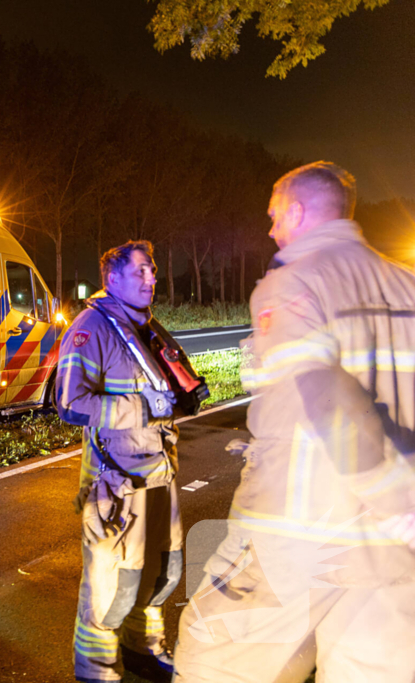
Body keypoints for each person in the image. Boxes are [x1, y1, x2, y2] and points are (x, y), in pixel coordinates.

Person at [173, 162, 415, 682]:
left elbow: (325, 398)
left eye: (274, 215)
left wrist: (398, 501)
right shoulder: (407, 286)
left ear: (298, 211)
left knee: (210, 662)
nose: (270, 230)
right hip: (393, 555)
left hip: (296, 534)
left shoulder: (294, 285)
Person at [56, 240, 182, 683]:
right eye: (142, 271)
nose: (152, 278)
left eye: (152, 270)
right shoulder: (92, 326)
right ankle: (97, 671)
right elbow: (69, 403)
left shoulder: (145, 327)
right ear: (113, 278)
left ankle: (144, 650)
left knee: (157, 574)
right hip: (116, 484)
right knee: (110, 588)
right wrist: (142, 408)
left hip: (158, 474)